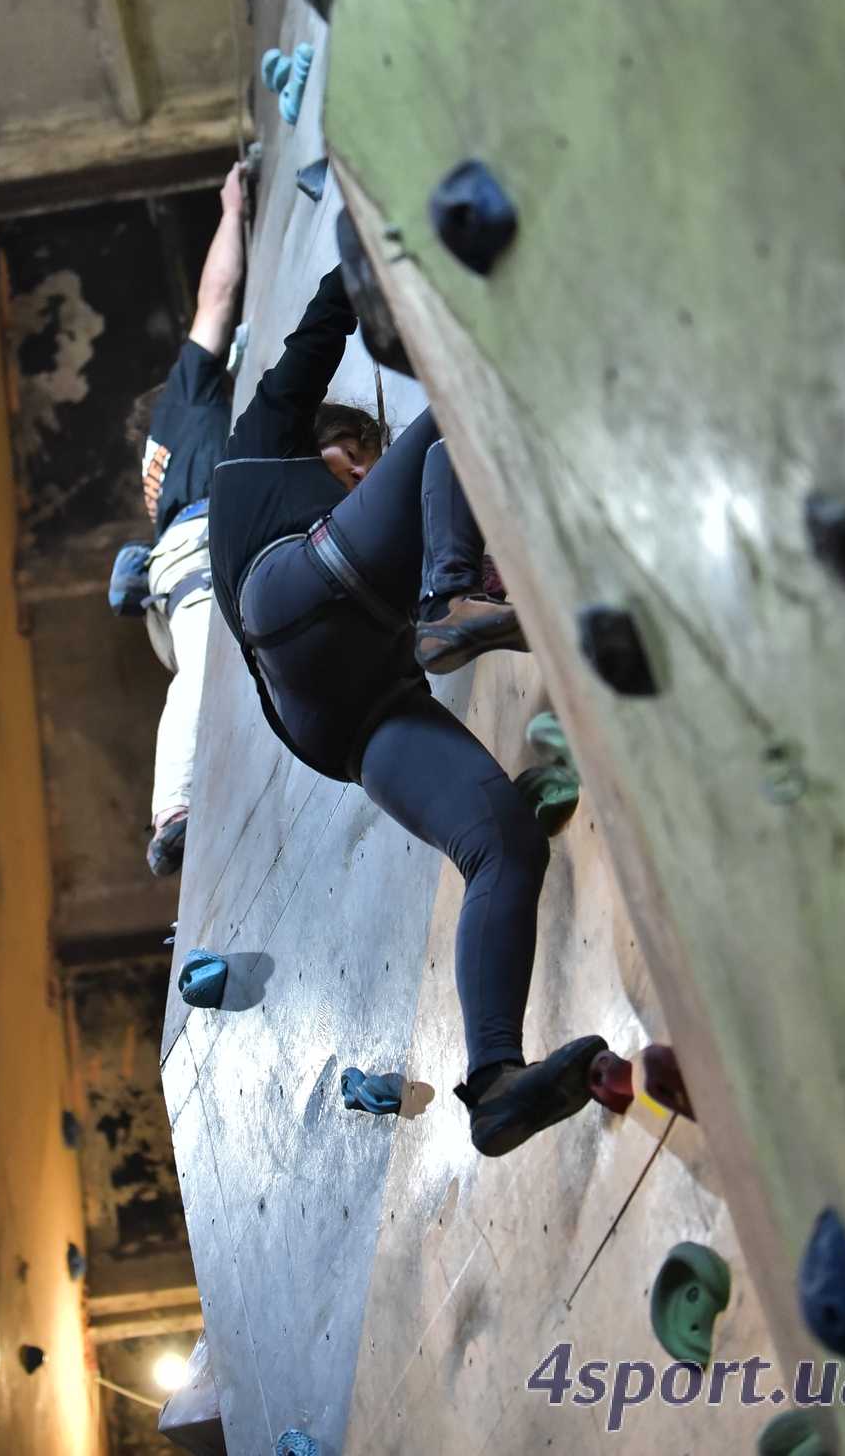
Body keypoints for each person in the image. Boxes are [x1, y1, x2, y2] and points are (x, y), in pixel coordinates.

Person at [208, 227, 606, 1155]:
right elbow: (313, 341)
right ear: (327, 448)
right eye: (355, 458)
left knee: (503, 843)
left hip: (348, 719)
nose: (362, 471)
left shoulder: (363, 533)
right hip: (296, 604)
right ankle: (448, 597)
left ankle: (497, 1081)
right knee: (453, 416)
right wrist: (367, 241)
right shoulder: (256, 459)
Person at [110, 161, 246, 877]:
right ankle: (174, 808)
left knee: (209, 665)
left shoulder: (163, 463)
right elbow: (215, 298)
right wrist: (231, 211)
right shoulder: (188, 397)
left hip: (184, 564)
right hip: (198, 552)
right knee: (200, 672)